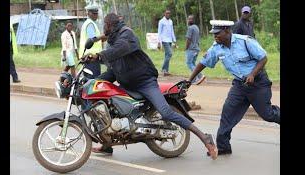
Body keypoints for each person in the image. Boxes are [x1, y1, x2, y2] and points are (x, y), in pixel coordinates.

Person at [85, 13, 218, 160]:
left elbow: (121, 48)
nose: (103, 28)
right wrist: (92, 82)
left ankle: (205, 138)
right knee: (105, 103)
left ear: (109, 25)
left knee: (166, 112)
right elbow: (113, 72)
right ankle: (107, 144)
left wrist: (98, 56)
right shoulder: (112, 42)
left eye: (104, 24)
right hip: (127, 85)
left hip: (145, 83)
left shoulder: (126, 35)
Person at [188, 20, 280, 156]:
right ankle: (224, 147)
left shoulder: (245, 41)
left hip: (258, 83)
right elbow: (203, 63)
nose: (215, 36)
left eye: (218, 33)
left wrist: (252, 74)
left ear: (227, 31)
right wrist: (189, 80)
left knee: (267, 114)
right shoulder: (216, 47)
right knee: (228, 113)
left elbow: (263, 58)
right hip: (239, 85)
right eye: (214, 34)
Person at [79, 4, 106, 79]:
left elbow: (97, 40)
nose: (96, 15)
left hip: (92, 57)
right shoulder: (89, 24)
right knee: (92, 81)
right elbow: (92, 39)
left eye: (96, 13)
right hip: (90, 58)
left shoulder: (92, 23)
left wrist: (104, 37)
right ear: (88, 13)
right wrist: (103, 35)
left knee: (90, 80)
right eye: (94, 13)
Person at [185, 15, 206, 85]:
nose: (189, 20)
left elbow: (188, 39)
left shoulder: (190, 28)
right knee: (193, 64)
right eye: (189, 19)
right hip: (196, 48)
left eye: (191, 19)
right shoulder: (196, 27)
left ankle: (199, 76)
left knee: (189, 63)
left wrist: (186, 47)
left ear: (193, 20)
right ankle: (194, 79)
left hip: (191, 49)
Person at [157, 9, 177, 76]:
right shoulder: (161, 21)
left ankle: (166, 71)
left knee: (167, 55)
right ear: (164, 14)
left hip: (170, 40)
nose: (168, 14)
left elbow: (172, 31)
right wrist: (159, 42)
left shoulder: (171, 21)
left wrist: (174, 40)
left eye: (169, 13)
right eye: (167, 13)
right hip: (164, 40)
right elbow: (159, 32)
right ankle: (163, 69)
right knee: (170, 53)